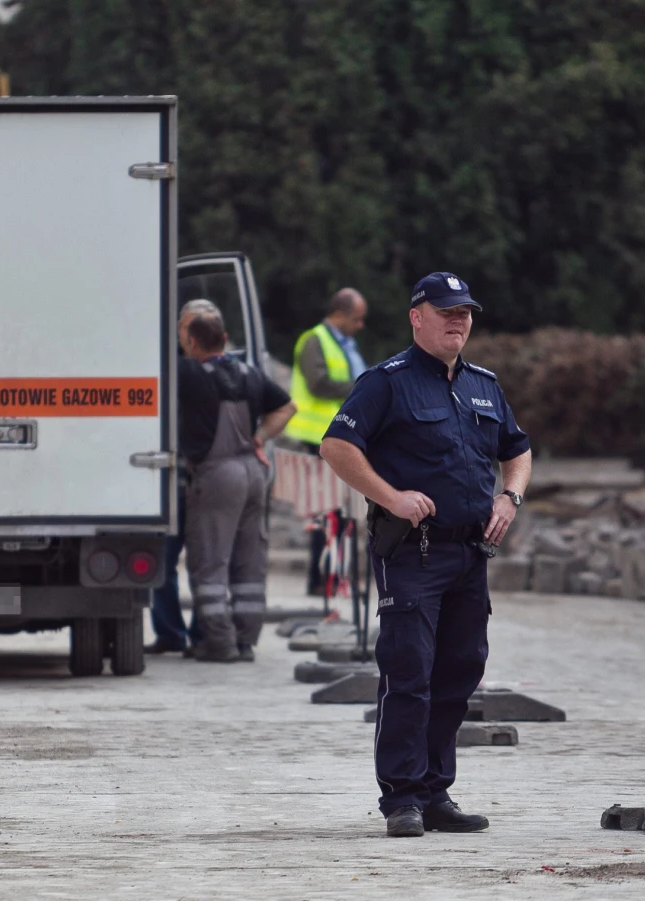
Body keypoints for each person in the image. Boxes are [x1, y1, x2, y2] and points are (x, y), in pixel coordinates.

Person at [319, 272, 531, 838]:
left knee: (460, 670)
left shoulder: (484, 385)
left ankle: (437, 792)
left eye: (464, 312)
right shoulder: (386, 382)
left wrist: (509, 497)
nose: (458, 321)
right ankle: (402, 798)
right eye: (446, 311)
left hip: (469, 554)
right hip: (412, 552)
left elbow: (518, 449)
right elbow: (337, 446)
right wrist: (389, 495)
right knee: (408, 673)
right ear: (417, 317)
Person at [181, 309, 296, 662]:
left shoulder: (189, 374)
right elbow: (288, 407)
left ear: (193, 341)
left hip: (218, 476)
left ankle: (220, 644)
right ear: (226, 338)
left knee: (210, 560)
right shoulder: (250, 373)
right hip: (254, 473)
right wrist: (260, 438)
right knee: (250, 560)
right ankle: (246, 641)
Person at [145, 298, 221, 655]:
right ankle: (172, 632)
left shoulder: (212, 370)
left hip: (207, 478)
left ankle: (201, 633)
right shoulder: (173, 368)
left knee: (205, 562)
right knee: (163, 560)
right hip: (174, 477)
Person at [285, 288, 368, 595]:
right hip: (318, 438)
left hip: (342, 437)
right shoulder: (314, 340)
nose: (360, 326)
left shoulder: (344, 343)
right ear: (339, 314)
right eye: (356, 319)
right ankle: (322, 581)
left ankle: (334, 579)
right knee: (327, 511)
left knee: (340, 511)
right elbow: (318, 383)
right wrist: (363, 386)